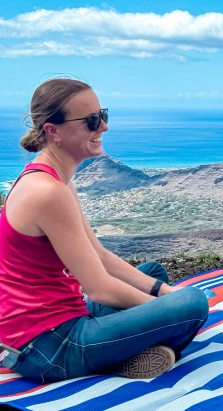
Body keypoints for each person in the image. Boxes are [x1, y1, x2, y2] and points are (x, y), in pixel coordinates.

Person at [0, 78, 209, 383]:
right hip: (48, 348)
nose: (104, 127)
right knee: (193, 305)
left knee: (154, 273)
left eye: (103, 115)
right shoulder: (47, 192)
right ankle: (118, 361)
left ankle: (130, 351)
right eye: (91, 121)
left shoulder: (55, 180)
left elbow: (99, 255)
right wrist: (170, 311)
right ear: (52, 130)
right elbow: (99, 288)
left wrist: (165, 294)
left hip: (57, 322)